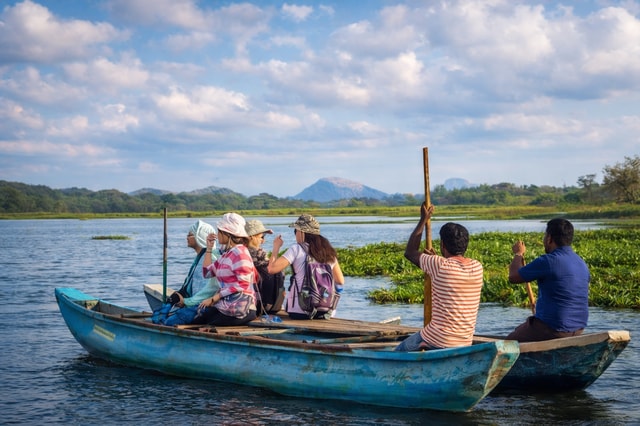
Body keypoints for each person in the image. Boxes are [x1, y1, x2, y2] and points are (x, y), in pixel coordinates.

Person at [395, 203, 484, 351]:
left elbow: (410, 252)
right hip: (464, 341)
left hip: (436, 338)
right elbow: (450, 271)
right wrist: (436, 261)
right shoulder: (477, 267)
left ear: (442, 244)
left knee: (399, 352)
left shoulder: (439, 265)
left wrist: (423, 219)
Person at [506, 218, 590, 342]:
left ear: (550, 238)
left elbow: (513, 276)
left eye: (545, 235)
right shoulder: (581, 262)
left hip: (554, 328)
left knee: (509, 343)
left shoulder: (549, 261)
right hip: (578, 329)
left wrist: (518, 254)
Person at [267, 214, 344, 319]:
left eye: (295, 231)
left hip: (299, 311)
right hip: (323, 311)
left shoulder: (296, 249)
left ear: (302, 232)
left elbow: (271, 269)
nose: (295, 235)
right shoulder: (329, 252)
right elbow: (340, 281)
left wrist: (276, 248)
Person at [151, 220, 221, 326]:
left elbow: (208, 291)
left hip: (203, 307)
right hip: (194, 303)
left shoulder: (209, 258)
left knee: (169, 321)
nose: (187, 237)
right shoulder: (200, 258)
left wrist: (187, 302)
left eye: (190, 235)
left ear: (200, 236)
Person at [193, 212, 258, 326]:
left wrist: (214, 298)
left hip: (241, 308)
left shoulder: (240, 253)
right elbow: (207, 273)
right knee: (196, 316)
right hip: (227, 307)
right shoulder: (226, 255)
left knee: (201, 321)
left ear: (227, 234)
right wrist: (209, 248)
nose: (217, 235)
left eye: (219, 231)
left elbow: (243, 284)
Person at [245, 219, 285, 315]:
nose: (263, 240)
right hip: (266, 305)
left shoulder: (243, 253)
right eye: (262, 237)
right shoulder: (257, 254)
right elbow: (272, 269)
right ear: (251, 237)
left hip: (255, 305)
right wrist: (276, 249)